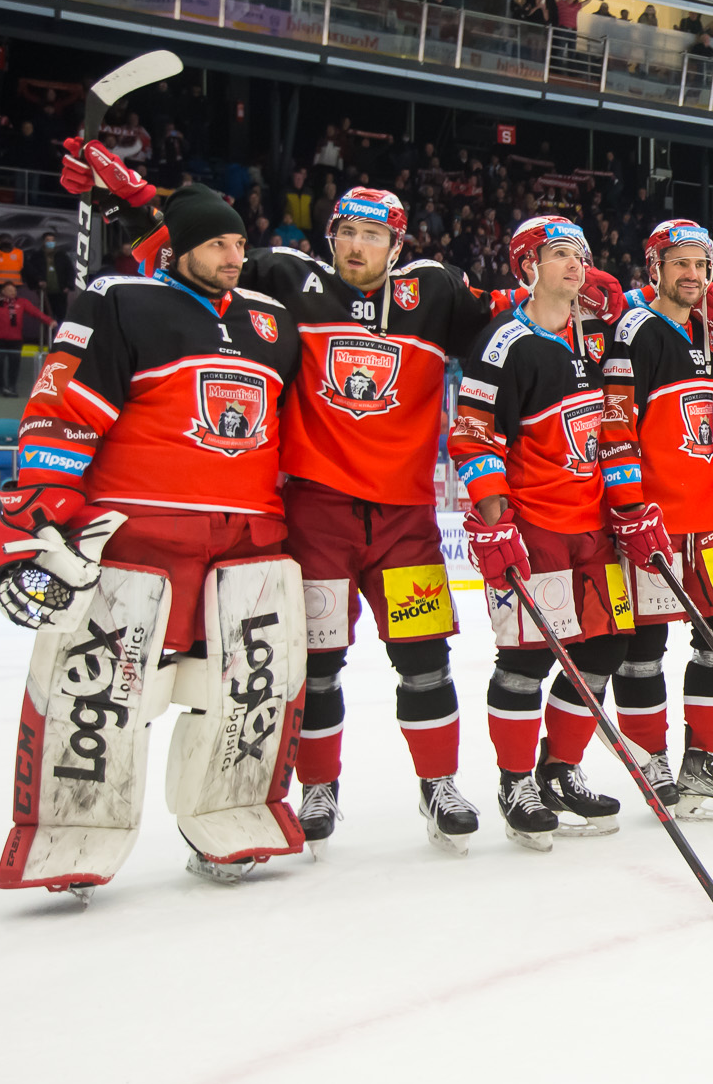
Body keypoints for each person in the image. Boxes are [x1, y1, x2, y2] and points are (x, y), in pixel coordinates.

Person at [0, 182, 306, 897]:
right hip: (138, 536)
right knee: (103, 688)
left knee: (243, 690)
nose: (234, 256)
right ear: (181, 248)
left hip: (247, 540)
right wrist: (43, 507)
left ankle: (229, 815)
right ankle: (73, 828)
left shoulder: (272, 320)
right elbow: (64, 410)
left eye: (239, 243)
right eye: (217, 244)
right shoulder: (121, 301)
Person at [240, 187, 561, 853]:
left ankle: (438, 783)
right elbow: (199, 271)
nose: (357, 246)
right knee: (318, 664)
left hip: (405, 519)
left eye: (373, 235)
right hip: (318, 512)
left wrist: (590, 292)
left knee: (424, 660)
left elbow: (517, 313)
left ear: (396, 245)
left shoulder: (433, 291)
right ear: (330, 234)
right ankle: (318, 787)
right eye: (347, 232)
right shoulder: (287, 279)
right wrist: (139, 213)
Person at [448, 216, 633, 848]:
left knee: (604, 650)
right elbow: (474, 436)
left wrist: (630, 508)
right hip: (536, 527)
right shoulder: (505, 342)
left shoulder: (597, 337)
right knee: (526, 660)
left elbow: (615, 425)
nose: (575, 264)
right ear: (528, 267)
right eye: (559, 253)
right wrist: (495, 521)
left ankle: (560, 768)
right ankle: (515, 780)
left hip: (594, 527)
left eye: (581, 253)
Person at [600, 219, 713, 819]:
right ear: (656, 269)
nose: (692, 275)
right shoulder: (635, 331)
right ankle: (651, 758)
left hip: (705, 520)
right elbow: (616, 424)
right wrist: (629, 507)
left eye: (701, 266)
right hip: (652, 520)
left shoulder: (708, 332)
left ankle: (704, 758)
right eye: (680, 264)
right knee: (644, 645)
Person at [0, 281, 52, 397]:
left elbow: (35, 312)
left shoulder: (21, 302)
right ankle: (1, 386)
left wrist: (49, 321)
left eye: (14, 290)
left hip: (15, 339)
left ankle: (12, 386)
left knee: (14, 364)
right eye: (10, 290)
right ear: (3, 291)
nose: (13, 292)